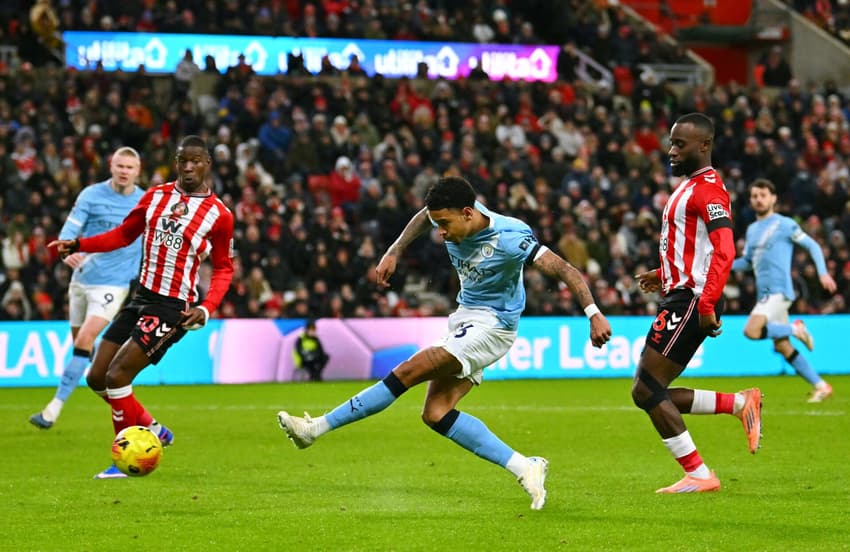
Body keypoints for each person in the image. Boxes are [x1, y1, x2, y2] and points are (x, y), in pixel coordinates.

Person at [278, 176, 612, 510]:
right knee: (435, 413)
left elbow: (565, 269)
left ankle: (316, 428)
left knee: (410, 369)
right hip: (466, 317)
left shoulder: (511, 237)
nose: (440, 232)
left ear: (468, 213)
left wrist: (593, 313)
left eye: (445, 224)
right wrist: (395, 250)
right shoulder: (452, 214)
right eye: (438, 223)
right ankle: (525, 466)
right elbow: (424, 216)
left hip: (495, 325)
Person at [49, 136, 235, 479]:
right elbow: (122, 235)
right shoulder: (155, 196)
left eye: (196, 161)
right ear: (175, 161)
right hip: (140, 297)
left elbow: (224, 267)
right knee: (96, 377)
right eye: (183, 160)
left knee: (118, 375)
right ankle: (154, 429)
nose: (189, 167)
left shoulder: (219, 215)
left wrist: (206, 307)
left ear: (208, 163)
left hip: (172, 308)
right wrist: (79, 243)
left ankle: (125, 458)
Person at [634, 113, 762, 494]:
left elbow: (725, 248)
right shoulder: (690, 186)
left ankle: (701, 474)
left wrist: (706, 304)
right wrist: (664, 271)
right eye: (671, 142)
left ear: (704, 146)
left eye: (680, 144)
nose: (671, 151)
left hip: (691, 301)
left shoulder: (708, 190)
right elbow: (697, 246)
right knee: (652, 391)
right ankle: (739, 404)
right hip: (682, 293)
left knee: (646, 390)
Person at [30, 147, 144, 430]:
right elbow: (71, 228)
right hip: (81, 280)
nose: (124, 171)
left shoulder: (145, 202)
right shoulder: (91, 195)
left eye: (129, 167)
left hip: (113, 284)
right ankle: (141, 417)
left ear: (138, 170)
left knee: (84, 341)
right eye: (120, 165)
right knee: (84, 353)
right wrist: (65, 250)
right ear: (111, 165)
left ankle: (52, 410)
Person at [732, 179, 837, 402]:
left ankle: (795, 328)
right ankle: (821, 386)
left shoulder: (784, 224)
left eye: (763, 195)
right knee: (782, 346)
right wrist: (722, 266)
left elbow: (812, 245)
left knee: (751, 330)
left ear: (773, 199)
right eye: (754, 196)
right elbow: (747, 262)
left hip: (778, 291)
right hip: (765, 294)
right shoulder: (751, 230)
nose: (758, 200)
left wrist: (822, 272)